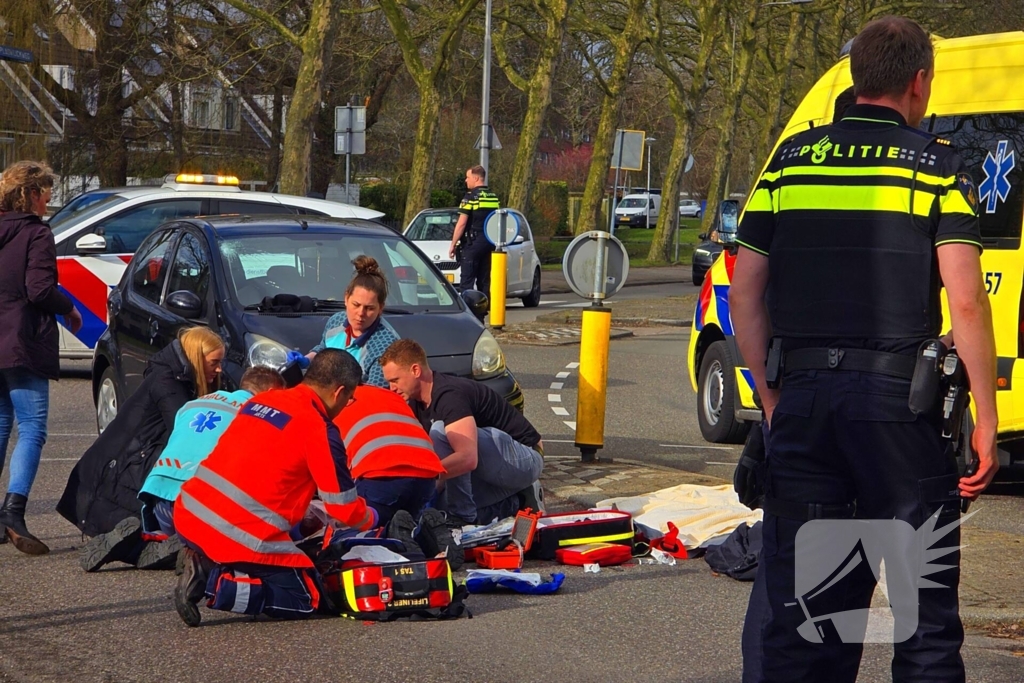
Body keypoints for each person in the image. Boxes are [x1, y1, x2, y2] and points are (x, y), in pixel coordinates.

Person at [729, 17, 998, 683]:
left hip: (806, 409)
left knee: (808, 623)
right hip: (900, 417)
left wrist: (771, 397)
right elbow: (966, 300)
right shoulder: (938, 167)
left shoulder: (791, 161)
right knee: (922, 624)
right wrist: (986, 417)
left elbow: (745, 292)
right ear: (919, 81)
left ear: (856, 78)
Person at [173, 349, 379, 626]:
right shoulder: (319, 429)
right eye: (350, 399)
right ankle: (212, 579)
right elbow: (343, 510)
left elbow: (265, 469)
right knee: (306, 598)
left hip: (190, 512)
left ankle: (205, 556)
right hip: (236, 532)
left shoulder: (264, 400)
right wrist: (372, 517)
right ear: (339, 392)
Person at [78, 366, 286, 572]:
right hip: (197, 504)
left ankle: (144, 541)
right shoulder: (259, 415)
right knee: (240, 542)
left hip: (157, 497)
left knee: (170, 532)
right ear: (269, 393)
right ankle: (192, 550)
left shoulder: (195, 403)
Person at [58, 327, 226, 570]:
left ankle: (132, 546)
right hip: (118, 471)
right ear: (196, 357)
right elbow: (188, 434)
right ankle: (136, 549)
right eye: (215, 362)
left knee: (147, 524)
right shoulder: (168, 384)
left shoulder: (172, 377)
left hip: (119, 468)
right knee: (158, 516)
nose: (219, 369)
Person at [0, 161, 83, 555]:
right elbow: (38, 289)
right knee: (32, 427)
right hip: (22, 340)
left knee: (0, 425)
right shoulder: (36, 233)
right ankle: (13, 512)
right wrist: (67, 307)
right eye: (47, 193)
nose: (49, 201)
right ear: (31, 194)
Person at [380, 339, 544, 526]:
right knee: (440, 510)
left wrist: (421, 477)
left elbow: (467, 458)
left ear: (415, 371)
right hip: (494, 469)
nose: (391, 388)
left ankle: (463, 518)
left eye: (395, 380)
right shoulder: (416, 403)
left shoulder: (449, 395)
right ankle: (519, 501)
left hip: (527, 458)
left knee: (440, 432)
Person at [334, 383, 459, 568]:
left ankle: (388, 535)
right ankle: (421, 532)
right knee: (406, 525)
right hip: (426, 474)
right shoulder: (387, 395)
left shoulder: (330, 403)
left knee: (345, 538)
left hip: (380, 474)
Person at [306, 255, 399, 388]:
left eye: (369, 308)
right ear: (346, 298)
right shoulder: (335, 321)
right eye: (356, 305)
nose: (361, 313)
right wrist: (306, 359)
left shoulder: (386, 346)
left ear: (381, 308)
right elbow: (323, 348)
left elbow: (374, 394)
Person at [449, 165, 501, 295]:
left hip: (473, 242)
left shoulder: (470, 197)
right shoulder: (493, 197)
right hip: (489, 242)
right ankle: (484, 308)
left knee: (467, 280)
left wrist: (453, 243)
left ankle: (470, 310)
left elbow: (461, 223)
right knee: (484, 280)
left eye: (468, 177)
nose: (466, 180)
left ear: (476, 178)